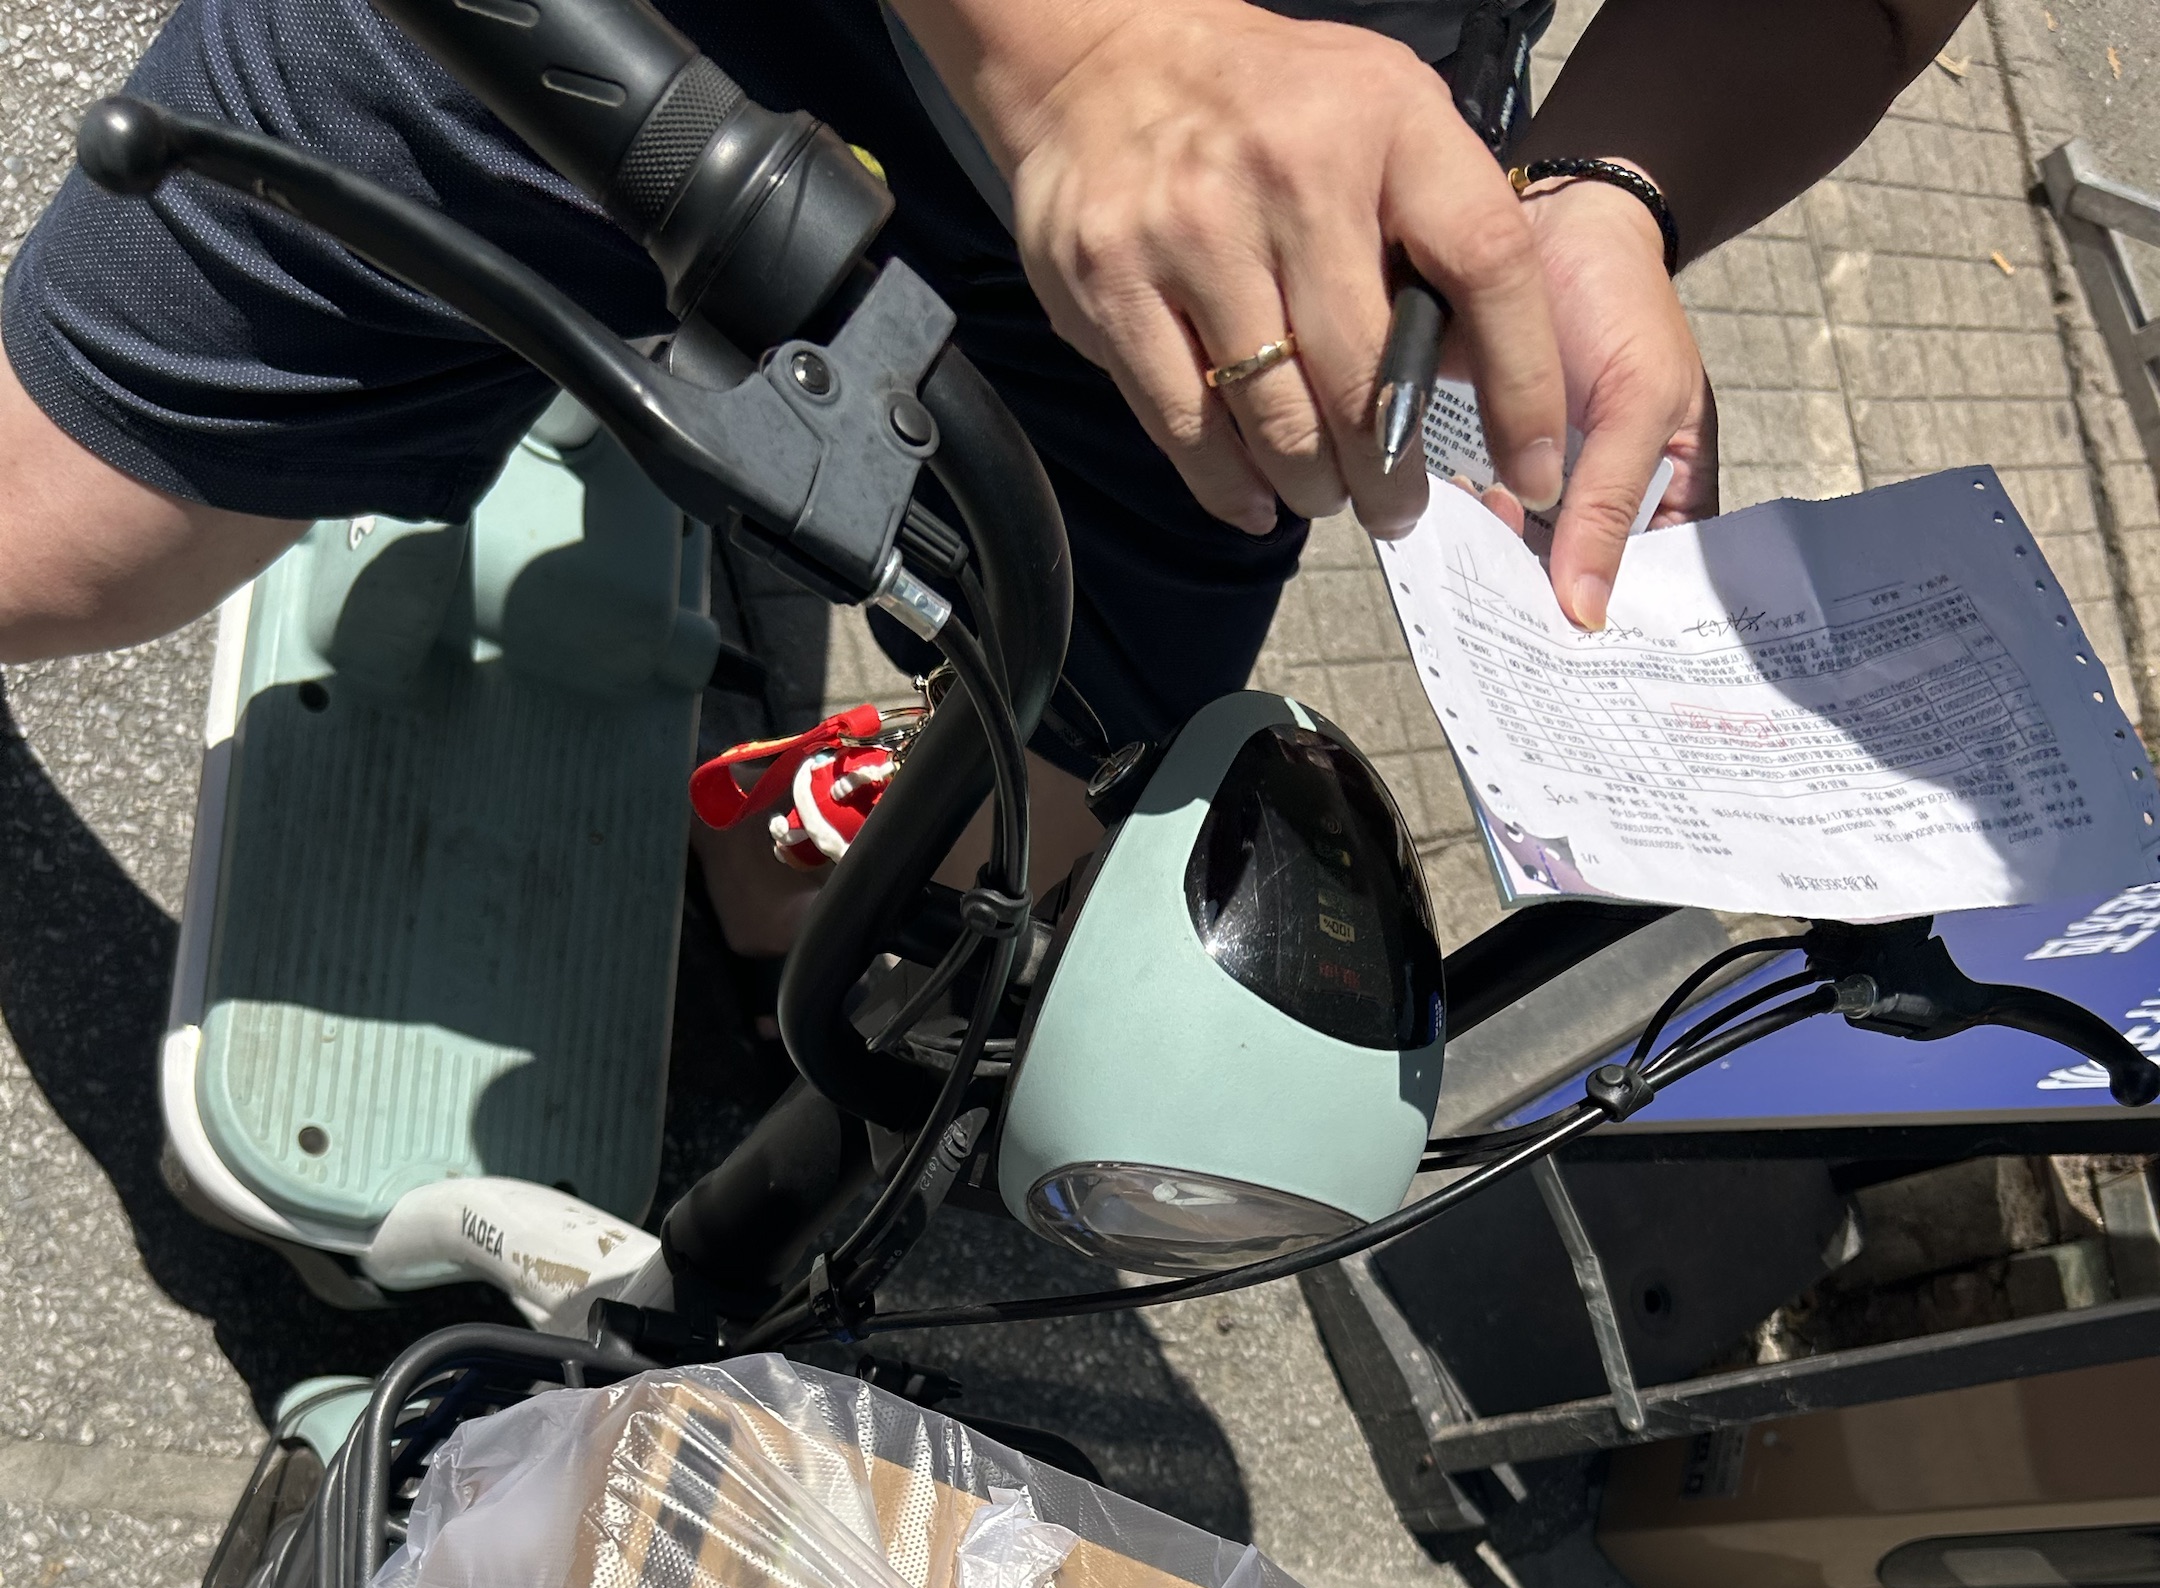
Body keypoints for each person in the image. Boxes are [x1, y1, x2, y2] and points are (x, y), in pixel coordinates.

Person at [0, 0, 1969, 949]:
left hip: (1265, 194)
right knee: (43, 553)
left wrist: (1607, 187)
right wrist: (1090, 51)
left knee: (946, 867)